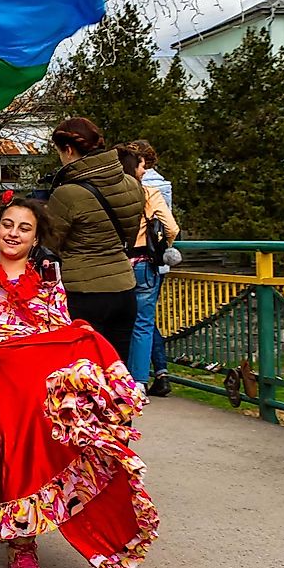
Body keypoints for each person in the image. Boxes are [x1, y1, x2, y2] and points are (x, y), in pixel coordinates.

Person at [0, 193, 158, 568]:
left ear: (36, 238)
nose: (13, 233)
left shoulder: (48, 277)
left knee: (48, 423)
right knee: (14, 436)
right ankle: (18, 533)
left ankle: (22, 537)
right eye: (7, 225)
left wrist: (78, 335)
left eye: (24, 228)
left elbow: (58, 327)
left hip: (36, 366)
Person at [46, 118, 143, 362]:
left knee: (84, 372)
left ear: (68, 150)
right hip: (124, 288)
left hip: (84, 292)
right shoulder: (132, 184)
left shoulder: (68, 194)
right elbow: (129, 234)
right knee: (116, 369)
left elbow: (50, 243)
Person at [117, 146, 179, 395]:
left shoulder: (108, 195)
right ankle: (139, 382)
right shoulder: (148, 193)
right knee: (142, 324)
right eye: (142, 166)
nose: (145, 170)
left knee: (119, 323)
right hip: (143, 261)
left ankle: (115, 377)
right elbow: (171, 227)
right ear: (134, 168)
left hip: (116, 263)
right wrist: (165, 245)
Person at [131, 139, 175, 388]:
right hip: (154, 258)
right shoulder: (162, 185)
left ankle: (141, 375)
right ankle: (158, 372)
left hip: (129, 256)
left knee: (137, 319)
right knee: (145, 319)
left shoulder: (137, 186)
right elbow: (170, 226)